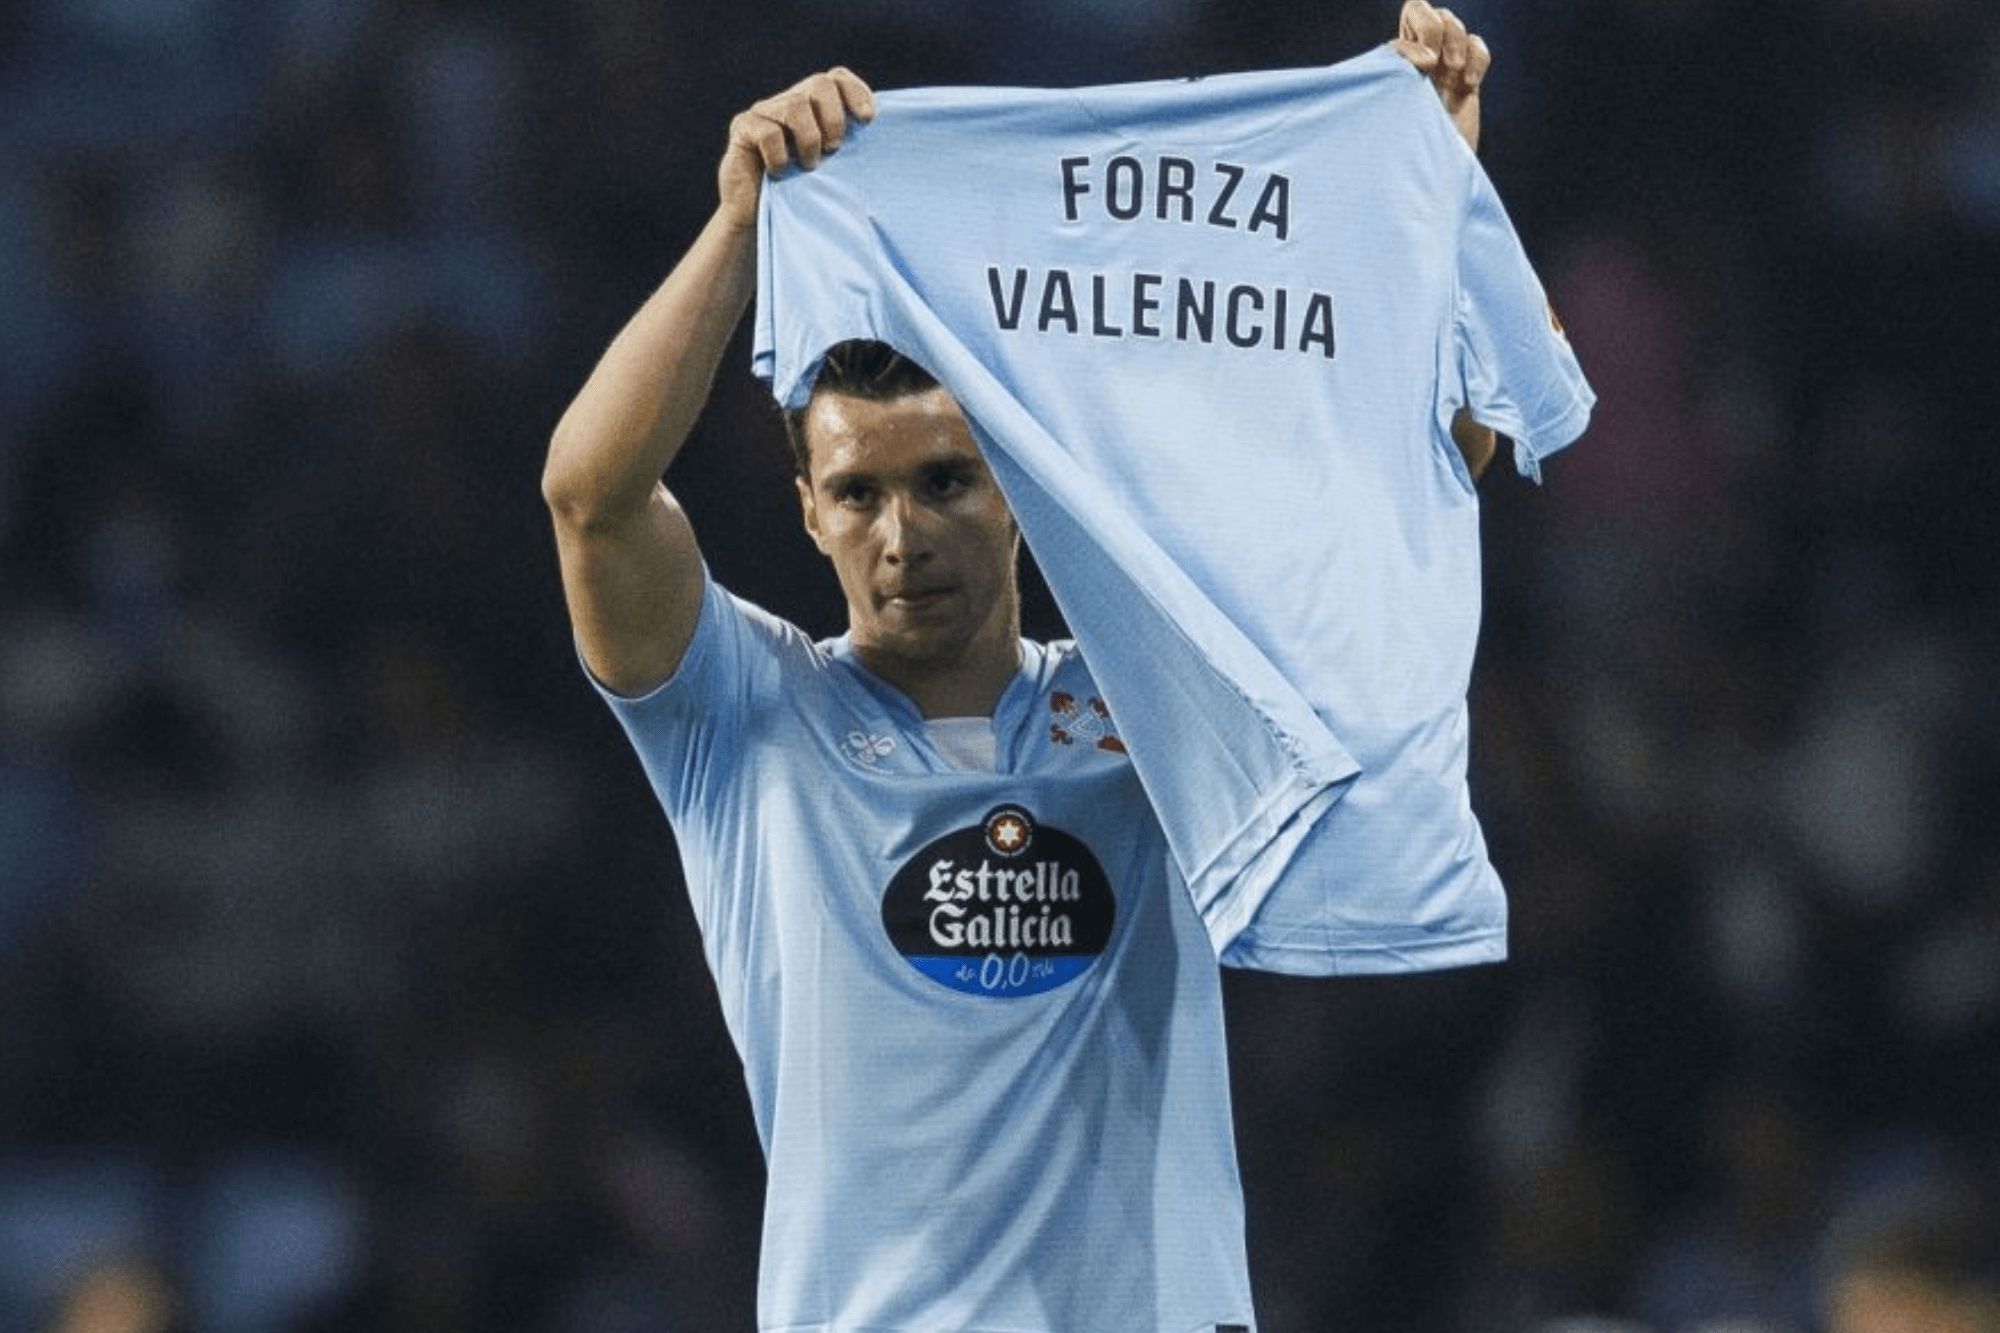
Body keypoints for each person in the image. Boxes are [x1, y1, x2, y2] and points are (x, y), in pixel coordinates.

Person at [543, 5, 1494, 1328]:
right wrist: (743, 236)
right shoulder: (743, 709)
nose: (901, 531)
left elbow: (1419, 478)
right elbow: (590, 498)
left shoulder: (1156, 701)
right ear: (810, 510)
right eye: (858, 491)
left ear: (1021, 487)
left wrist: (1431, 199)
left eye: (945, 479)